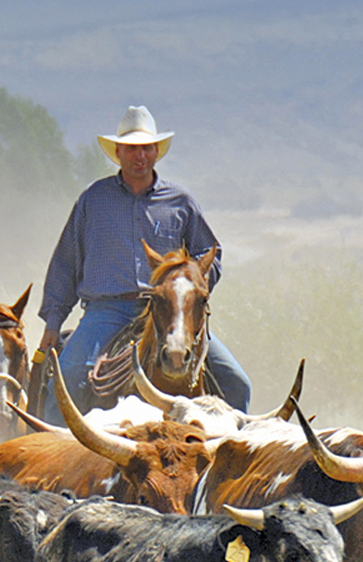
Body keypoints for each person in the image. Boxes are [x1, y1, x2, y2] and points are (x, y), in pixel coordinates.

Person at [38, 105, 250, 420]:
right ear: (118, 152)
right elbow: (66, 263)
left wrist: (190, 294)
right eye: (133, 149)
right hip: (106, 311)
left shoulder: (180, 202)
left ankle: (232, 463)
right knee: (66, 378)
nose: (140, 157)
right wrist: (53, 323)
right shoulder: (93, 200)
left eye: (147, 149)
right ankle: (48, 459)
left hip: (168, 310)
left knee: (236, 383)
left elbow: (210, 253)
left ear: (156, 152)